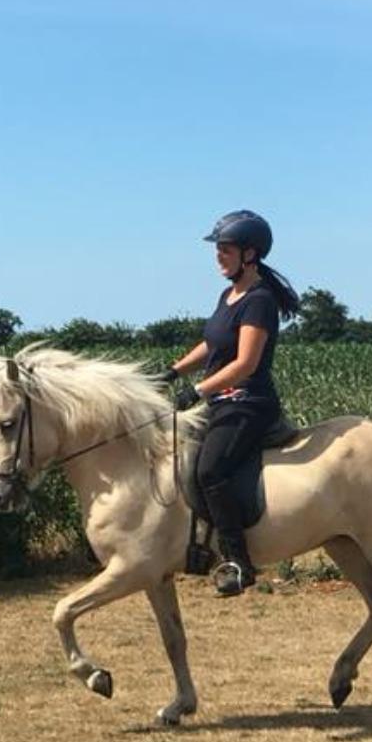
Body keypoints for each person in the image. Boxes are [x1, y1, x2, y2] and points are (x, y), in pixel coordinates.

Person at [163, 210, 300, 597]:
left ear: (250, 254)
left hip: (249, 403)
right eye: (218, 249)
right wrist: (174, 371)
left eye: (225, 249)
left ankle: (238, 562)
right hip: (223, 402)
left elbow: (244, 363)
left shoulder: (259, 300)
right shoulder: (230, 295)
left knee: (210, 471)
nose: (218, 256)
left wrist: (199, 389)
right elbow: (214, 343)